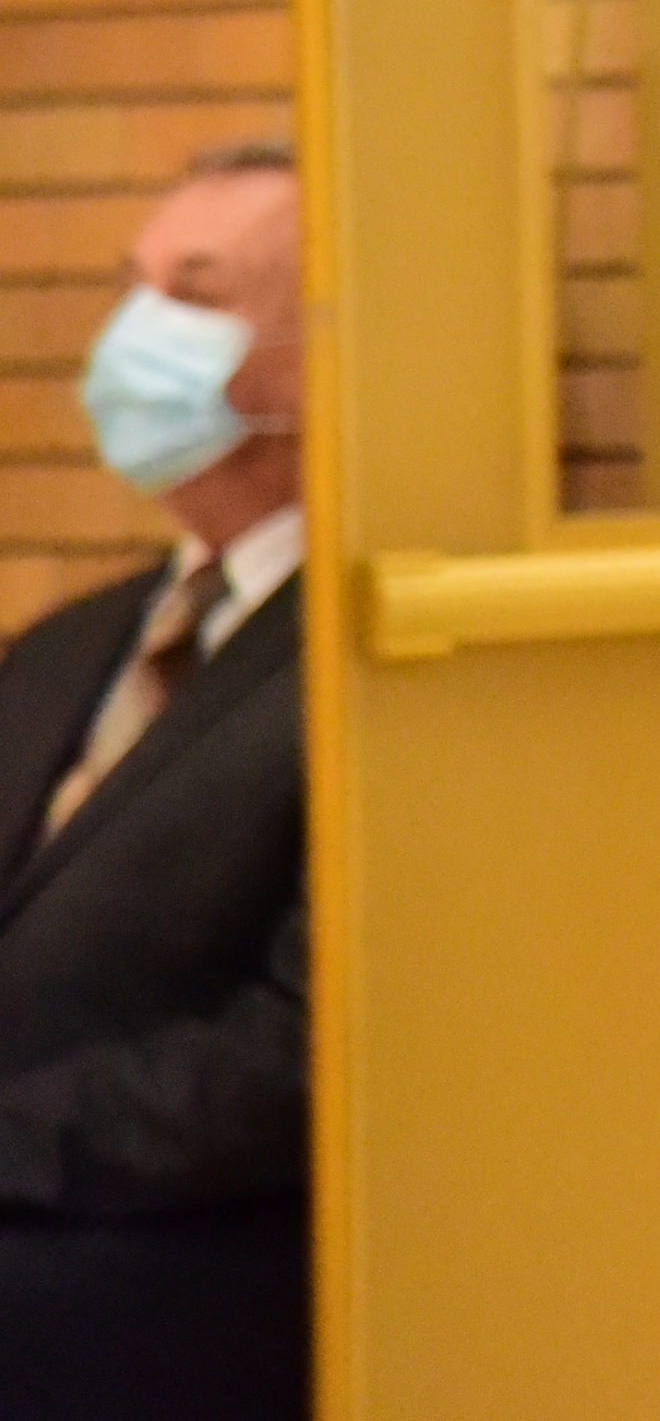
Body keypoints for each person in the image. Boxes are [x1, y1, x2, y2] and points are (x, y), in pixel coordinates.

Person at [0, 142, 313, 1420]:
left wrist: (19, 1140)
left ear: (321, 352)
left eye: (194, 290)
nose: (135, 332)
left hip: (169, 1283)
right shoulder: (68, 646)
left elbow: (303, 1052)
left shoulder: (365, 673)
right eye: (131, 284)